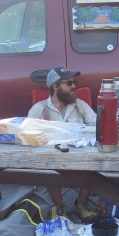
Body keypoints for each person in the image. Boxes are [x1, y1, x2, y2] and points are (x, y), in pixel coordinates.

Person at [27, 67, 100, 222]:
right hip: (53, 158)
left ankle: (82, 202)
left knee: (94, 160)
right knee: (50, 163)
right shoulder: (39, 109)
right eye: (69, 83)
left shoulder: (80, 105)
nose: (74, 86)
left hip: (82, 157)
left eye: (74, 83)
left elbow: (97, 126)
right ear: (55, 86)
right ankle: (58, 205)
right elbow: (28, 134)